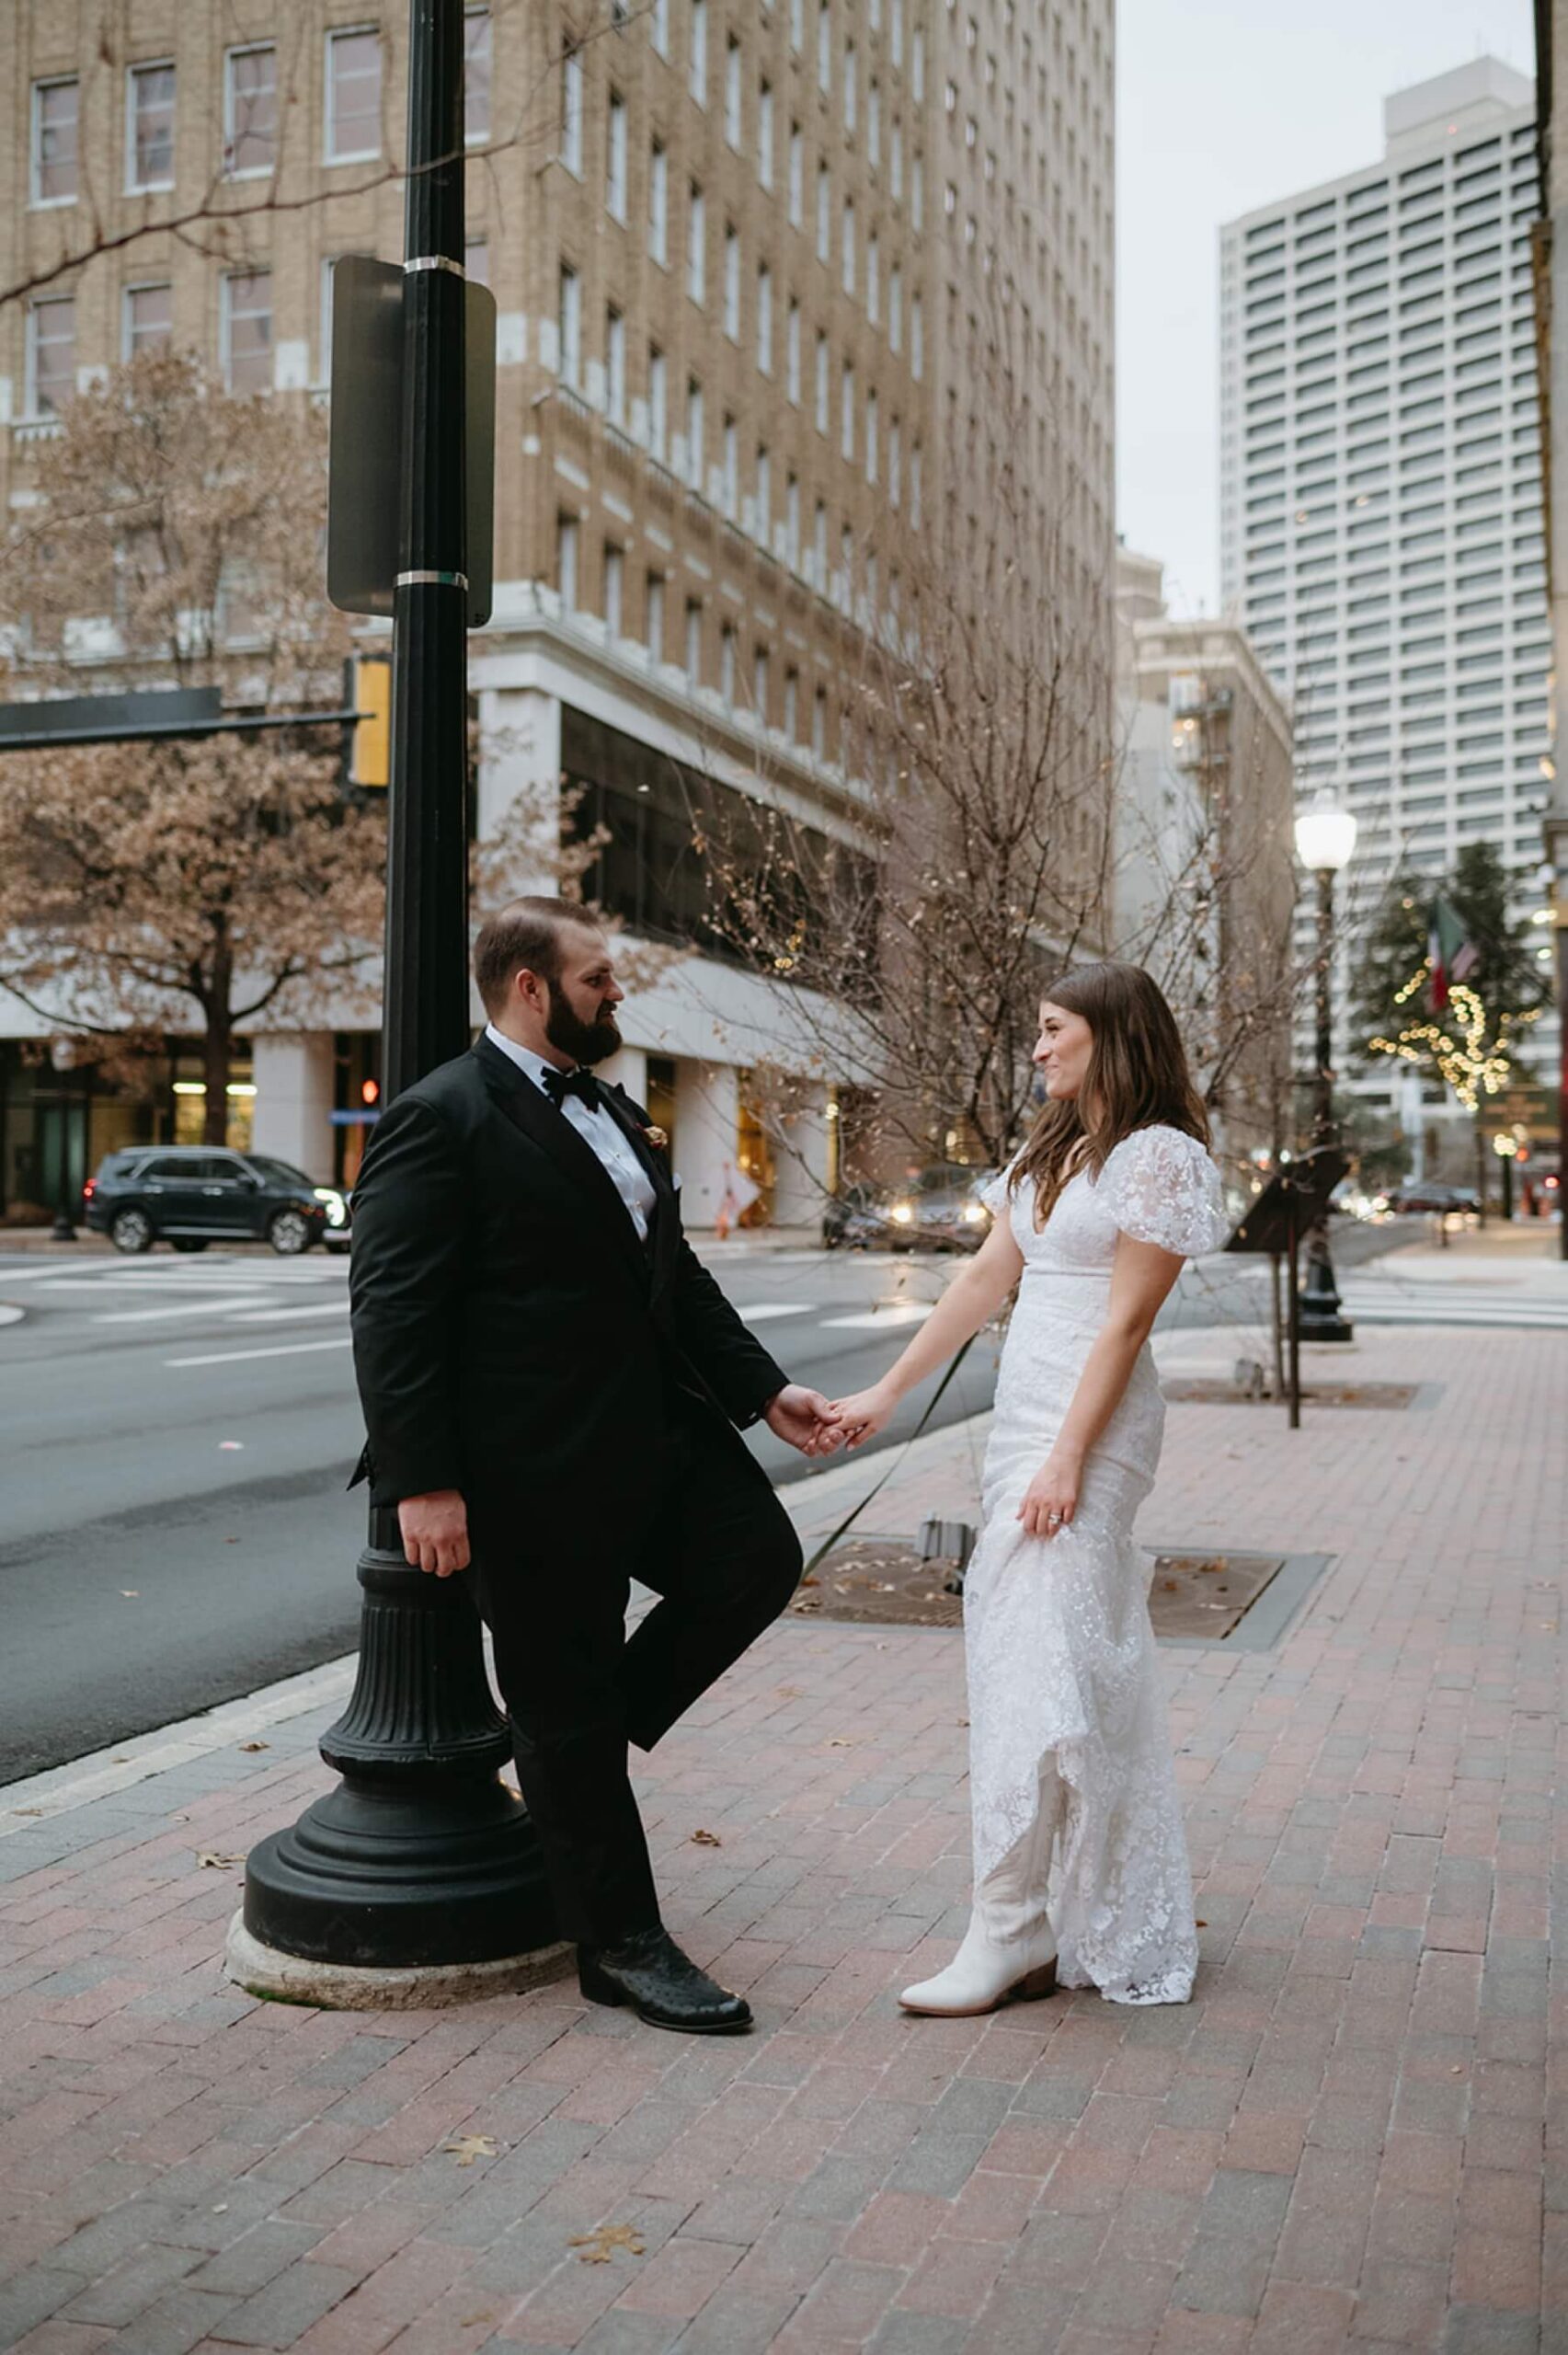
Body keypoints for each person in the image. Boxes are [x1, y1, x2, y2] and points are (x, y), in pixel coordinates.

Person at [348, 898, 843, 2035]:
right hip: (520, 1476)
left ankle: (571, 1738)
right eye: (596, 980)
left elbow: (674, 1281)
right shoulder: (440, 1118)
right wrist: (422, 1483)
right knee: (561, 1704)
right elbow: (392, 1315)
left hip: (653, 1441)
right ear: (529, 987)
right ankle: (620, 1944)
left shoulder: (618, 1110)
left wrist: (767, 1391)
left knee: (755, 1559)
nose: (615, 995)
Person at [831, 962, 1229, 2011]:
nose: (1038, 1049)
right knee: (1030, 1662)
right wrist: (884, 1394)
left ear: (1111, 1034)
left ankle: (1010, 1925)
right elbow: (978, 1283)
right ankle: (1042, 1917)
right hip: (1024, 1430)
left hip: (1088, 1437)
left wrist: (1068, 1456)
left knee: (1050, 1665)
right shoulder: (1051, 1150)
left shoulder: (1159, 1158)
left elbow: (1128, 1322)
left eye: (1053, 1030)